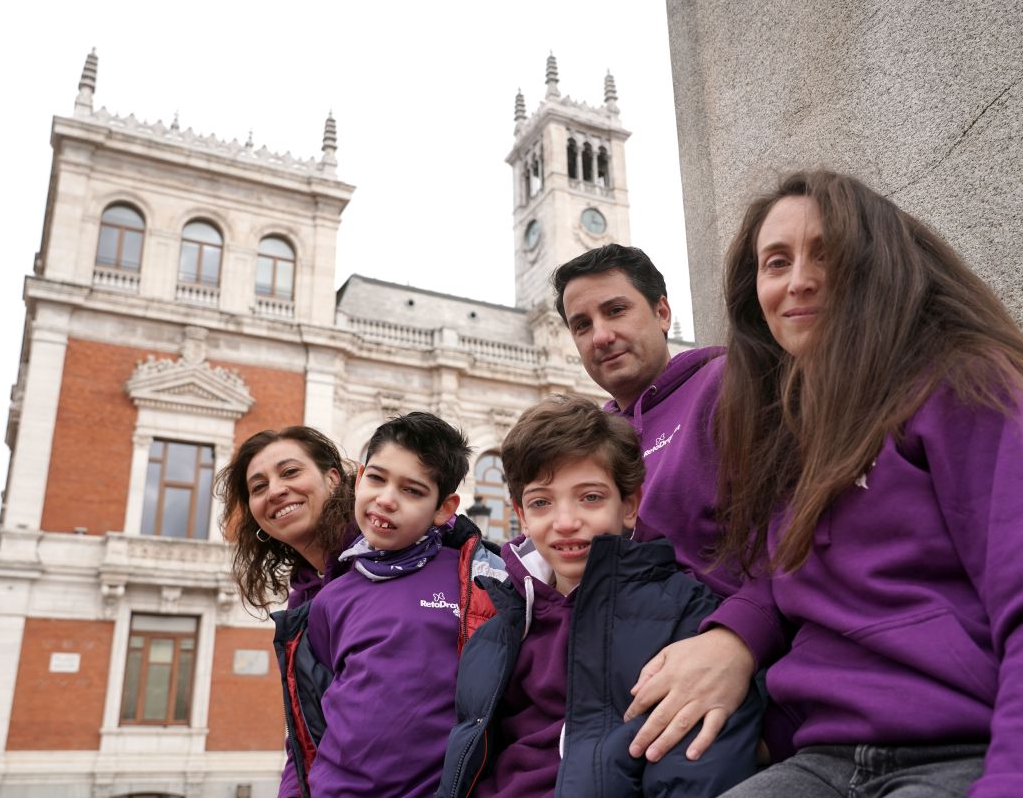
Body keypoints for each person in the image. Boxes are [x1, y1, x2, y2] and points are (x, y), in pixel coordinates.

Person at [699, 169, 1023, 795]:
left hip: (968, 747)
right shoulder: (788, 434)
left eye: (826, 255)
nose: (798, 280)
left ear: (876, 265)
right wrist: (735, 636)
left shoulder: (970, 386)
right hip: (819, 762)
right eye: (776, 262)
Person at [438, 394, 762, 797]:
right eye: (541, 502)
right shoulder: (496, 634)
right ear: (521, 516)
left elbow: (698, 771)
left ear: (629, 505)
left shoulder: (687, 617)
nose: (567, 522)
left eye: (590, 497)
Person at [553, 245, 769, 763]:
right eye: (581, 325)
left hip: (721, 684)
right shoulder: (586, 439)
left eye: (616, 310)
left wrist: (740, 639)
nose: (600, 335)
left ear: (663, 312)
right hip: (602, 689)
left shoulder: (728, 385)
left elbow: (797, 535)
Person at [287, 412, 505, 798]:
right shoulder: (330, 599)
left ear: (444, 508)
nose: (386, 500)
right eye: (376, 478)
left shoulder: (476, 581)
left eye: (412, 490)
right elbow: (307, 720)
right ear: (359, 478)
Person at [215, 426, 359, 798]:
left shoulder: (387, 566)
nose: (275, 491)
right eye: (258, 487)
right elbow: (304, 735)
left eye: (290, 472)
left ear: (333, 478)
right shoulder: (303, 598)